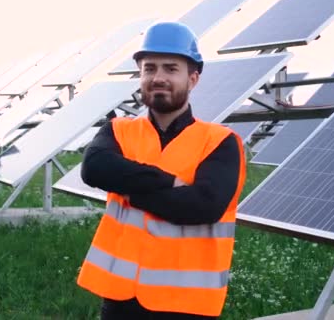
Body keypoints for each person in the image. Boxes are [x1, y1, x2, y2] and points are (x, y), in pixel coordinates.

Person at [77, 22, 246, 319]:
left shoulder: (220, 142)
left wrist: (130, 189)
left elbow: (203, 207)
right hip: (120, 298)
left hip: (186, 305)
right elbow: (94, 169)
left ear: (192, 79)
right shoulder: (119, 130)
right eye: (149, 68)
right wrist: (169, 183)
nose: (158, 77)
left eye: (171, 68)